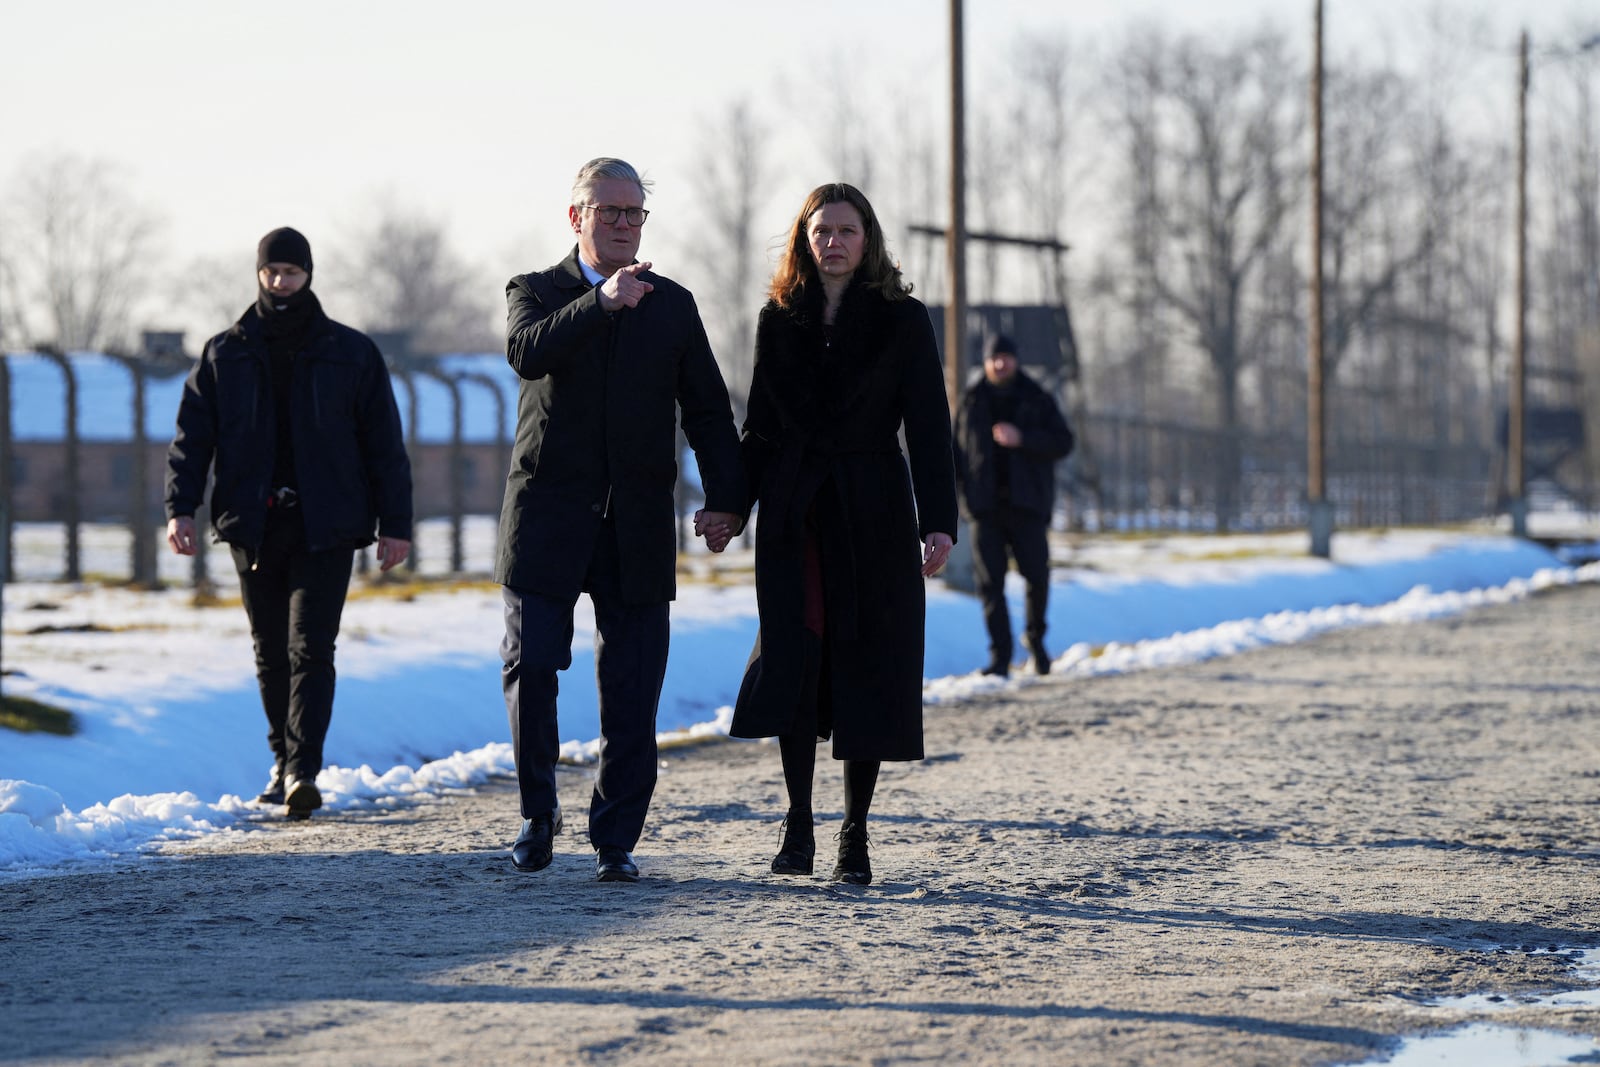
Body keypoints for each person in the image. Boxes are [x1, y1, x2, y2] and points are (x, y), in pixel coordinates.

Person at [496, 157, 745, 883]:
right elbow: (526, 352)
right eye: (610, 212)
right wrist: (599, 303)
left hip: (634, 523)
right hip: (545, 519)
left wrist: (726, 498)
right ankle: (538, 811)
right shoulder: (535, 291)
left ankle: (616, 837)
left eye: (635, 213)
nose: (624, 224)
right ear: (576, 217)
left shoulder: (672, 305)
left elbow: (706, 409)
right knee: (533, 666)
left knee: (633, 687)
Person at [730, 182, 957, 886]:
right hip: (796, 512)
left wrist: (939, 521)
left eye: (846, 230)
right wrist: (729, 505)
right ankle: (798, 821)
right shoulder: (779, 318)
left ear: (869, 240)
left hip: (874, 509)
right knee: (797, 656)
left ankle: (854, 831)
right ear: (804, 239)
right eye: (820, 230)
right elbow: (760, 428)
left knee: (870, 663)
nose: (833, 241)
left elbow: (928, 424)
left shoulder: (903, 319)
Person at [165, 226, 413, 820]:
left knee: (312, 647)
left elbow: (384, 444)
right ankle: (282, 762)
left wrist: (395, 524)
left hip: (326, 522)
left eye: (292, 272)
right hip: (253, 522)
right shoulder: (226, 351)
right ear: (258, 273)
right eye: (271, 271)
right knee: (269, 649)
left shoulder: (350, 352)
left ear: (309, 275)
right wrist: (180, 508)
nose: (281, 282)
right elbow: (191, 439)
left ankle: (304, 768)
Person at [952, 332, 1075, 677]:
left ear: (1016, 359)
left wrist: (1024, 439)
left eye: (1005, 357)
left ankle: (1036, 643)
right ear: (986, 362)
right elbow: (954, 455)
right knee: (990, 585)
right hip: (984, 509)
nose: (1000, 363)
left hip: (1028, 508)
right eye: (994, 358)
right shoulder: (973, 401)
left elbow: (1064, 442)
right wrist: (960, 499)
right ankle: (1000, 656)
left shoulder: (1037, 399)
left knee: (1036, 577)